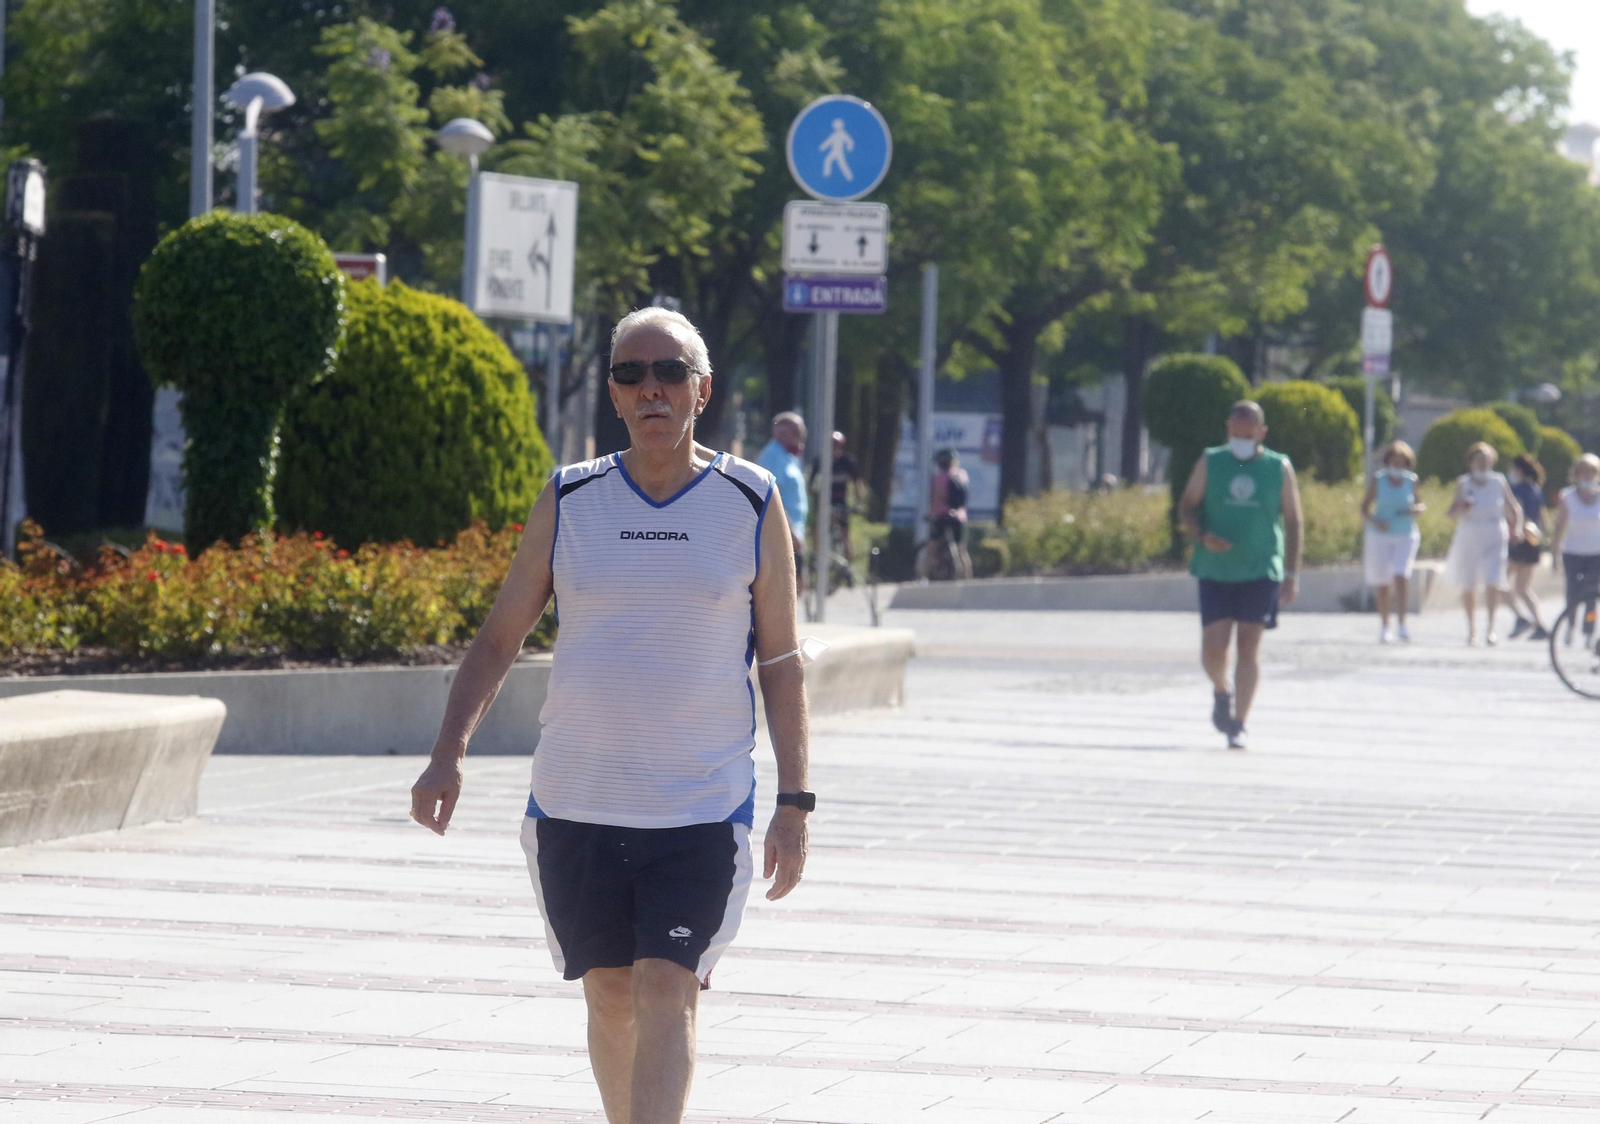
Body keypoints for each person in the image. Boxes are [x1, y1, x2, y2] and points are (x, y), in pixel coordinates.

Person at [410, 307, 812, 1124]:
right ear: (614, 395)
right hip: (576, 802)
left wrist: (796, 801)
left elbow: (780, 660)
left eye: (668, 373)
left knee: (670, 984)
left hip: (700, 807)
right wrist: (448, 750)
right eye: (632, 374)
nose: (651, 388)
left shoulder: (751, 498)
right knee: (611, 998)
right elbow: (500, 636)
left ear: (702, 390)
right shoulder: (570, 497)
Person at [1177, 401, 1303, 751]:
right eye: (1234, 434)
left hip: (1261, 569)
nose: (1240, 441)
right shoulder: (1211, 461)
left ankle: (1240, 724)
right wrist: (1202, 535)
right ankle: (1221, 690)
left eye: (1247, 435)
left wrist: (1291, 572)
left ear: (1261, 433)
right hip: (1215, 569)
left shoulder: (1279, 467)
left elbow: (1293, 521)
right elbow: (1187, 504)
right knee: (1213, 648)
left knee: (1249, 646)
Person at [1444, 442, 1523, 646]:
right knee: (1469, 583)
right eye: (1479, 459)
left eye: (1486, 460)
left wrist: (1518, 527)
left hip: (1494, 534)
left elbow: (1513, 507)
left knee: (1493, 581)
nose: (1482, 463)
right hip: (1470, 535)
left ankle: (1491, 628)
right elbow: (1451, 514)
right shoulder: (1464, 483)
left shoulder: (1498, 481)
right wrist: (1462, 507)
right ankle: (1471, 630)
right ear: (1471, 462)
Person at [1360, 440, 1425, 643]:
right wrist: (1375, 522)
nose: (1397, 466)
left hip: (1405, 533)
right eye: (1394, 462)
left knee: (1401, 575)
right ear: (1388, 462)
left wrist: (1417, 509)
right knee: (1383, 583)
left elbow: (1420, 503)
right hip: (1380, 534)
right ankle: (1385, 625)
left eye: (1401, 462)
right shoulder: (1378, 480)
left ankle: (1403, 623)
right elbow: (1364, 508)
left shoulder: (1411, 480)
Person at [1550, 453, 1600, 647]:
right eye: (1583, 471)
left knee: (1591, 594)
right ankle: (1570, 623)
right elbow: (1559, 526)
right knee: (1572, 591)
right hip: (1573, 552)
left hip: (1596, 553)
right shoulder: (1568, 496)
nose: (1587, 475)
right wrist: (1554, 552)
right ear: (1576, 474)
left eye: (1591, 471)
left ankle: (1589, 629)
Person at [756, 411, 809, 592]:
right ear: (782, 433)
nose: (800, 440)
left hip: (793, 531)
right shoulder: (772, 457)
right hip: (783, 534)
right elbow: (772, 498)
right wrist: (791, 531)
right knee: (787, 590)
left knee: (796, 589)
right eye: (797, 434)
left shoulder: (788, 457)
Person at [1505, 453, 1550, 640]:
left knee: (1499, 583)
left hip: (1518, 541)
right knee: (1523, 588)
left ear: (1519, 470)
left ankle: (1520, 617)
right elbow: (1544, 521)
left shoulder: (1516, 490)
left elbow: (1511, 514)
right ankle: (1540, 624)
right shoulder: (1536, 489)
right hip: (1534, 541)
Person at [917, 448, 973, 580]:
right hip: (958, 518)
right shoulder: (962, 475)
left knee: (932, 547)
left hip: (941, 516)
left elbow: (935, 499)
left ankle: (922, 575)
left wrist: (930, 514)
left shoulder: (937, 478)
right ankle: (968, 576)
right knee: (961, 549)